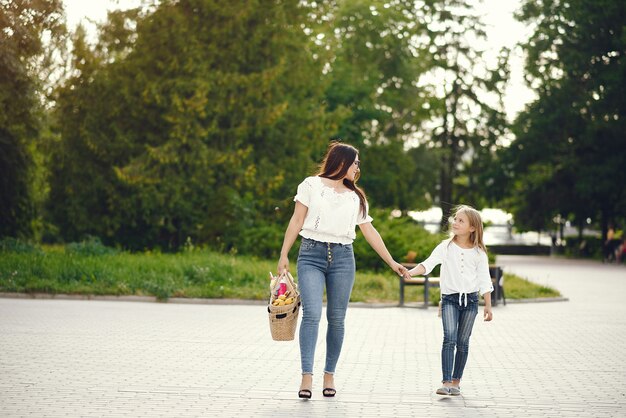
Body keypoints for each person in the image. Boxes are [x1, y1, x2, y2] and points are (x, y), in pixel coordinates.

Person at [277, 141, 409, 399]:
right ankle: (306, 376)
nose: (358, 167)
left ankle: (329, 375)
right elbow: (297, 220)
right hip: (311, 254)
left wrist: (392, 262)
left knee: (337, 319)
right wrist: (284, 254)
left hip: (343, 258)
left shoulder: (356, 196)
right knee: (312, 314)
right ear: (342, 161)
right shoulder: (311, 185)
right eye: (356, 162)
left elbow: (369, 231)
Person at [407, 205, 493, 396]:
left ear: (472, 228)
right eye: (455, 219)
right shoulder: (445, 247)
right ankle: (446, 382)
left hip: (470, 302)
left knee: (463, 342)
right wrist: (410, 273)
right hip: (449, 300)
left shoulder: (479, 253)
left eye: (461, 220)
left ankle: (456, 382)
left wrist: (488, 305)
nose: (455, 222)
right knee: (449, 338)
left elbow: (484, 280)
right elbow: (428, 264)